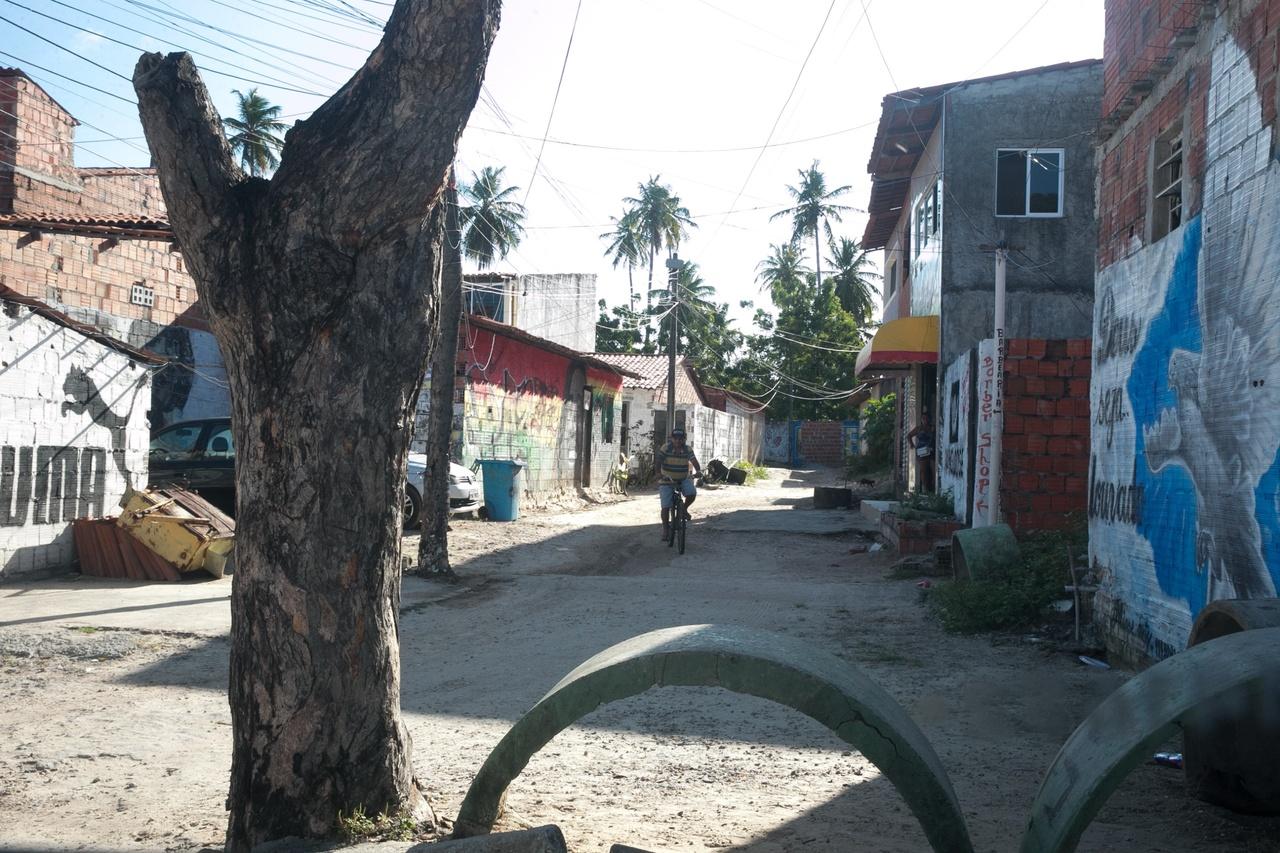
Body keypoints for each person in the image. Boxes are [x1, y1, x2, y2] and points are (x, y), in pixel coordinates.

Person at [656, 427, 702, 541]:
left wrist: (698, 471)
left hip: (683, 478)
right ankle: (666, 529)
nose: (678, 441)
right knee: (666, 506)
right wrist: (658, 473)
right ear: (672, 439)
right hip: (667, 480)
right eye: (675, 438)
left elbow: (694, 461)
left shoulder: (687, 449)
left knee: (692, 492)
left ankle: (684, 509)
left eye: (680, 439)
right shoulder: (666, 448)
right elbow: (658, 461)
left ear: (684, 439)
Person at [907, 408, 936, 492]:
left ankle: (934, 486)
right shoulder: (918, 428)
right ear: (921, 419)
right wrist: (912, 444)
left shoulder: (932, 427)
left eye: (926, 418)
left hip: (931, 449)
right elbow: (909, 435)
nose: (925, 420)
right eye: (923, 418)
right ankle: (925, 488)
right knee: (923, 470)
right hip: (921, 451)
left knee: (933, 468)